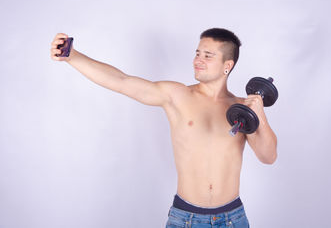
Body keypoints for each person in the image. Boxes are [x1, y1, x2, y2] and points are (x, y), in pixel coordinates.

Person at [50, 28, 277, 227]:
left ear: (227, 65)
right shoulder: (177, 95)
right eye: (197, 53)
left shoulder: (242, 110)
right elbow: (121, 81)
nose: (198, 60)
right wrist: (72, 56)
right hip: (186, 217)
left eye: (208, 55)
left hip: (232, 218)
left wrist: (260, 116)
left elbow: (268, 157)